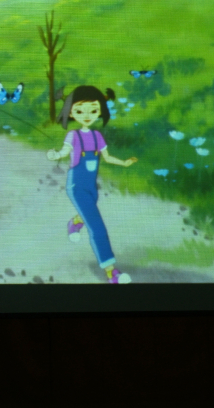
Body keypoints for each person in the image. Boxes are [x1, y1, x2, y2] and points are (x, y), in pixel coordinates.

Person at [47, 85, 137, 284]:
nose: (87, 115)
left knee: (89, 215)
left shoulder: (97, 136)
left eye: (93, 110)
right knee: (97, 228)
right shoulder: (73, 135)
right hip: (76, 187)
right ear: (71, 112)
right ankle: (111, 273)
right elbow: (64, 152)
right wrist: (55, 155)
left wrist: (124, 163)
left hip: (91, 188)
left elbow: (107, 157)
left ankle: (74, 223)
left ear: (100, 110)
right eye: (80, 111)